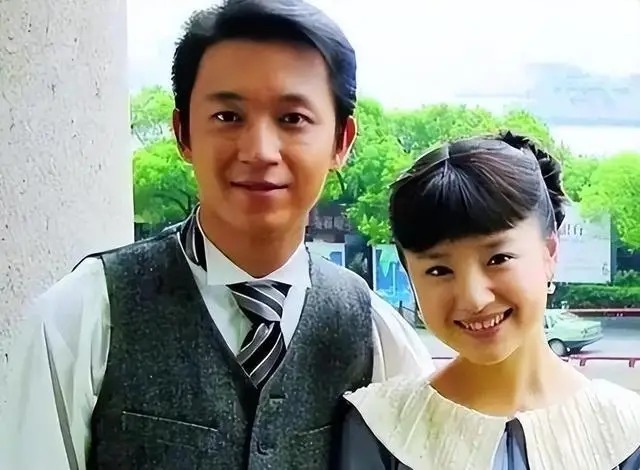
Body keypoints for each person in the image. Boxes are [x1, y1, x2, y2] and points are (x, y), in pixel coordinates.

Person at [0, 1, 434, 469]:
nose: (260, 151)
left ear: (341, 141)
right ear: (183, 133)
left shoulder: (374, 332)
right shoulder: (83, 317)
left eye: (292, 119)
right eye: (228, 116)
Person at [338, 132, 640, 469]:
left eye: (498, 259)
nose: (474, 298)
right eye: (438, 270)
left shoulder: (626, 432)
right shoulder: (381, 428)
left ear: (550, 252)